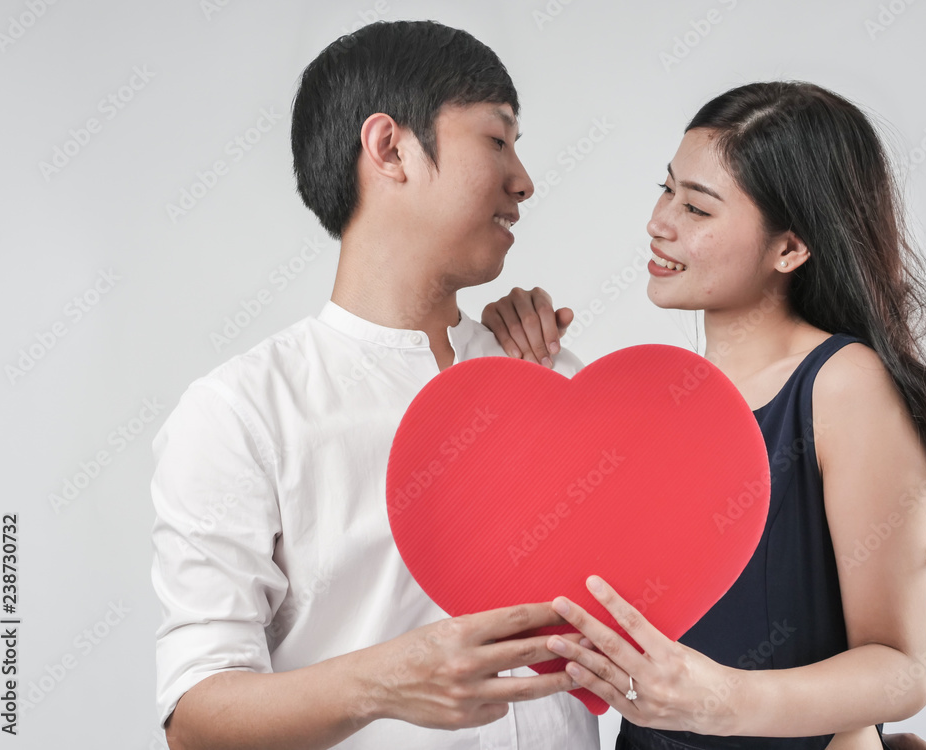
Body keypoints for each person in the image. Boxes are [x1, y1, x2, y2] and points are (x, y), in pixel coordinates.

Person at [481, 82, 926, 749]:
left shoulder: (843, 386)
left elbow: (900, 671)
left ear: (790, 249)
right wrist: (513, 353)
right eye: (666, 190)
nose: (660, 223)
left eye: (696, 206)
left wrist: (720, 700)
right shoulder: (663, 398)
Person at [149, 20, 600, 750]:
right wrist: (384, 681)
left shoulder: (548, 375)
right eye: (497, 139)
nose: (524, 179)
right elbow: (197, 718)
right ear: (389, 147)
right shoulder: (241, 414)